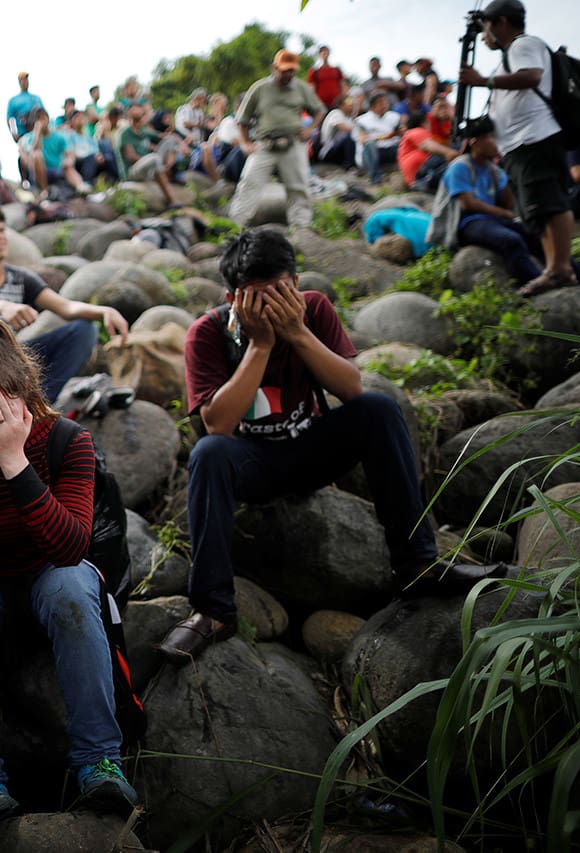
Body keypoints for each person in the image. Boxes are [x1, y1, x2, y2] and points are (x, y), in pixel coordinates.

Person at [157, 227, 503, 664]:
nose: (273, 306)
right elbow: (218, 424)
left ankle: (417, 564)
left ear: (296, 284)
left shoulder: (314, 309)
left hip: (310, 451)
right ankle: (213, 610)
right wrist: (260, 345)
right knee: (208, 453)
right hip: (249, 464)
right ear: (232, 299)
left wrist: (298, 333)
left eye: (282, 292)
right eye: (258, 298)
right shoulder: (207, 334)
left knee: (378, 408)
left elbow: (351, 388)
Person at [0, 312, 138, 841]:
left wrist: (14, 460)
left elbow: (70, 548)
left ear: (24, 395)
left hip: (49, 572)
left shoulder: (67, 441)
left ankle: (99, 762)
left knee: (73, 588)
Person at [0, 203, 128, 403]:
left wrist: (104, 311)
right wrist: (3, 306)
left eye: (1, 230)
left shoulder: (20, 278)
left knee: (84, 331)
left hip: (4, 363)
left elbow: (66, 307)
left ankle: (39, 405)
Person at [458, 0, 577, 297]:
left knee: (551, 202)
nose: (484, 36)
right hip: (521, 145)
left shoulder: (522, 45)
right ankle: (553, 269)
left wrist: (482, 81)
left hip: (535, 139)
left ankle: (560, 267)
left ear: (501, 23)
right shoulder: (510, 55)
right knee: (538, 209)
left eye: (487, 27)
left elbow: (531, 76)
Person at [434, 116, 548, 284]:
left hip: (493, 220)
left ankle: (570, 274)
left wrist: (507, 169)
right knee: (511, 240)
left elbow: (508, 203)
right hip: (468, 223)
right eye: (491, 138)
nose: (497, 143)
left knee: (537, 236)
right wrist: (502, 213)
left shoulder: (493, 170)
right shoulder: (460, 166)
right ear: (474, 142)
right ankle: (535, 281)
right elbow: (467, 203)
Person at [228, 50, 326, 229]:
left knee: (298, 187)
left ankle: (301, 228)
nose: (288, 74)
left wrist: (310, 130)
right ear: (274, 68)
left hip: (293, 143)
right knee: (249, 182)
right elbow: (242, 119)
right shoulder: (259, 88)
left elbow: (319, 110)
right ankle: (236, 225)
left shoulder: (301, 88)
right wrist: (245, 143)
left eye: (292, 71)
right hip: (265, 144)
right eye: (284, 71)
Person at [398, 111, 459, 191]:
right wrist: (449, 152)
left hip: (421, 176)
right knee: (456, 150)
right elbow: (426, 145)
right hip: (421, 178)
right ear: (423, 123)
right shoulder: (416, 131)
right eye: (429, 122)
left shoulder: (411, 135)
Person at [355, 93, 403, 184]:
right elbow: (363, 139)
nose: (384, 105)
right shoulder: (362, 120)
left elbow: (402, 133)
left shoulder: (394, 116)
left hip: (390, 148)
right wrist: (385, 137)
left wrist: (400, 131)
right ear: (372, 107)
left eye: (385, 102)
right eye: (380, 103)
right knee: (369, 144)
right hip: (372, 152)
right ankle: (375, 177)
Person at [316, 92, 364, 169]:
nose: (351, 105)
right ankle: (349, 166)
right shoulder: (336, 113)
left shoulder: (347, 117)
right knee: (348, 139)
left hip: (339, 151)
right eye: (349, 103)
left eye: (352, 104)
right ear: (341, 105)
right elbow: (346, 129)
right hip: (328, 150)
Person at [308, 46, 347, 110]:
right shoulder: (314, 71)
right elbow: (312, 88)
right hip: (321, 105)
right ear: (319, 55)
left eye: (326, 52)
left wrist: (344, 100)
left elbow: (343, 85)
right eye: (323, 52)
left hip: (337, 104)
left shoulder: (336, 70)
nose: (325, 54)